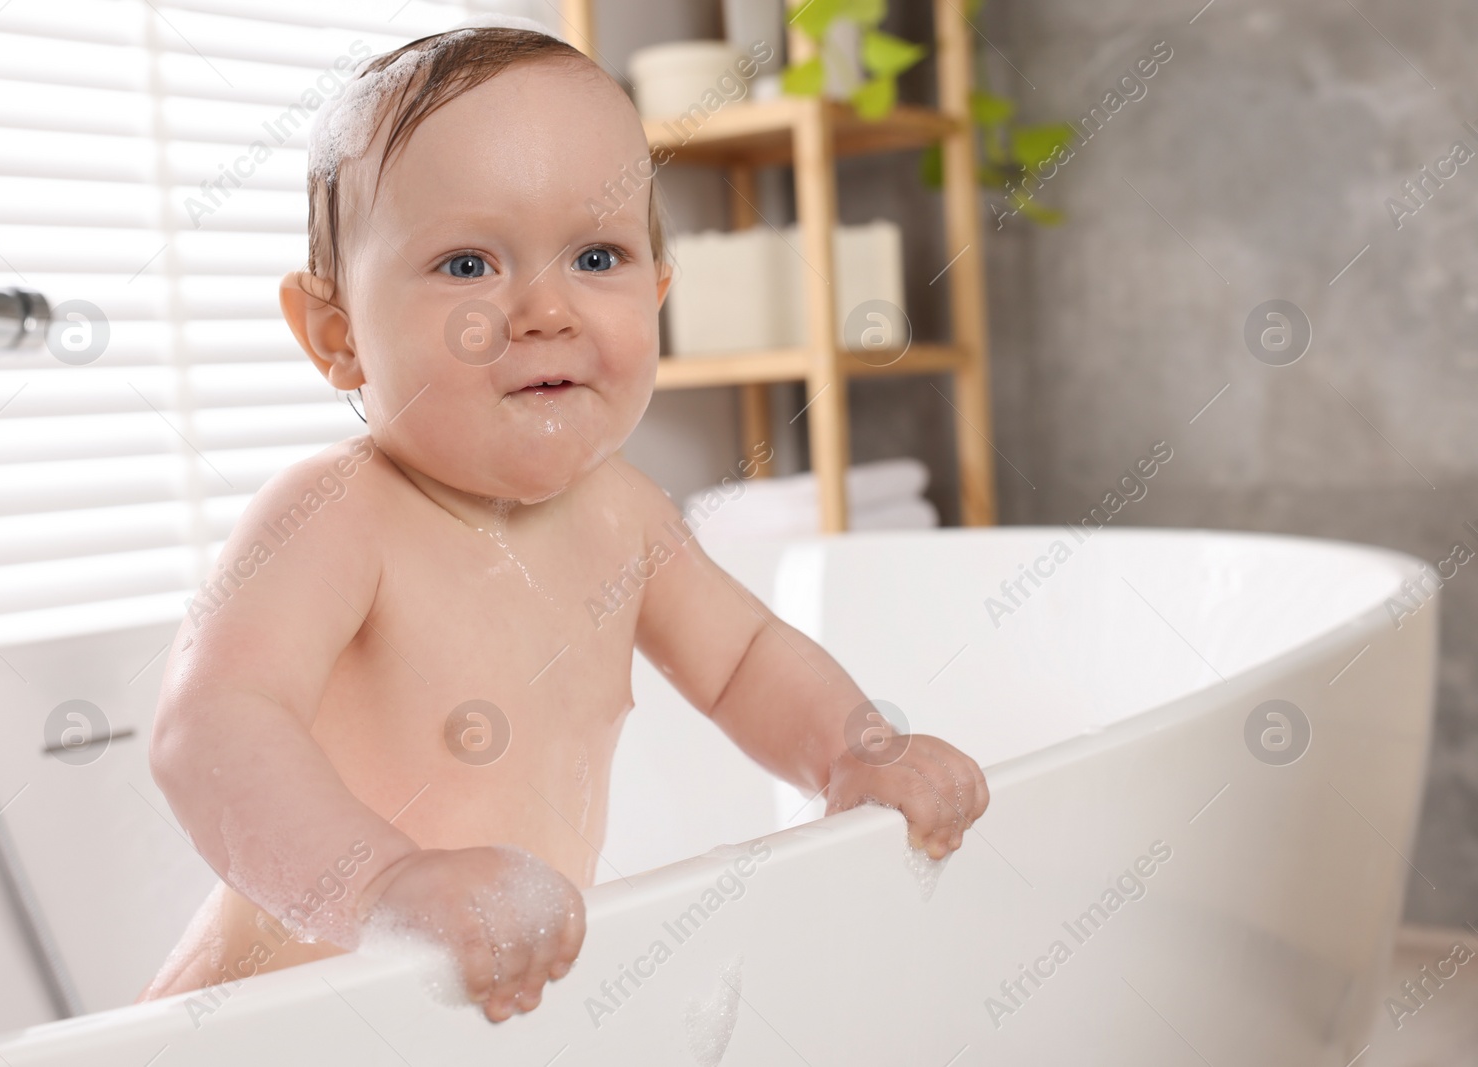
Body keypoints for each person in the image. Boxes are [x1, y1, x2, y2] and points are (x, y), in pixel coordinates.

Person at [139, 17, 988, 1023]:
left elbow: (743, 658)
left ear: (658, 292)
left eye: (597, 254)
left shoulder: (622, 514)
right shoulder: (335, 516)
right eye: (466, 265)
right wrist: (386, 885)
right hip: (266, 1031)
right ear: (336, 333)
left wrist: (854, 751)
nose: (546, 308)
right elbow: (209, 727)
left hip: (474, 1013)